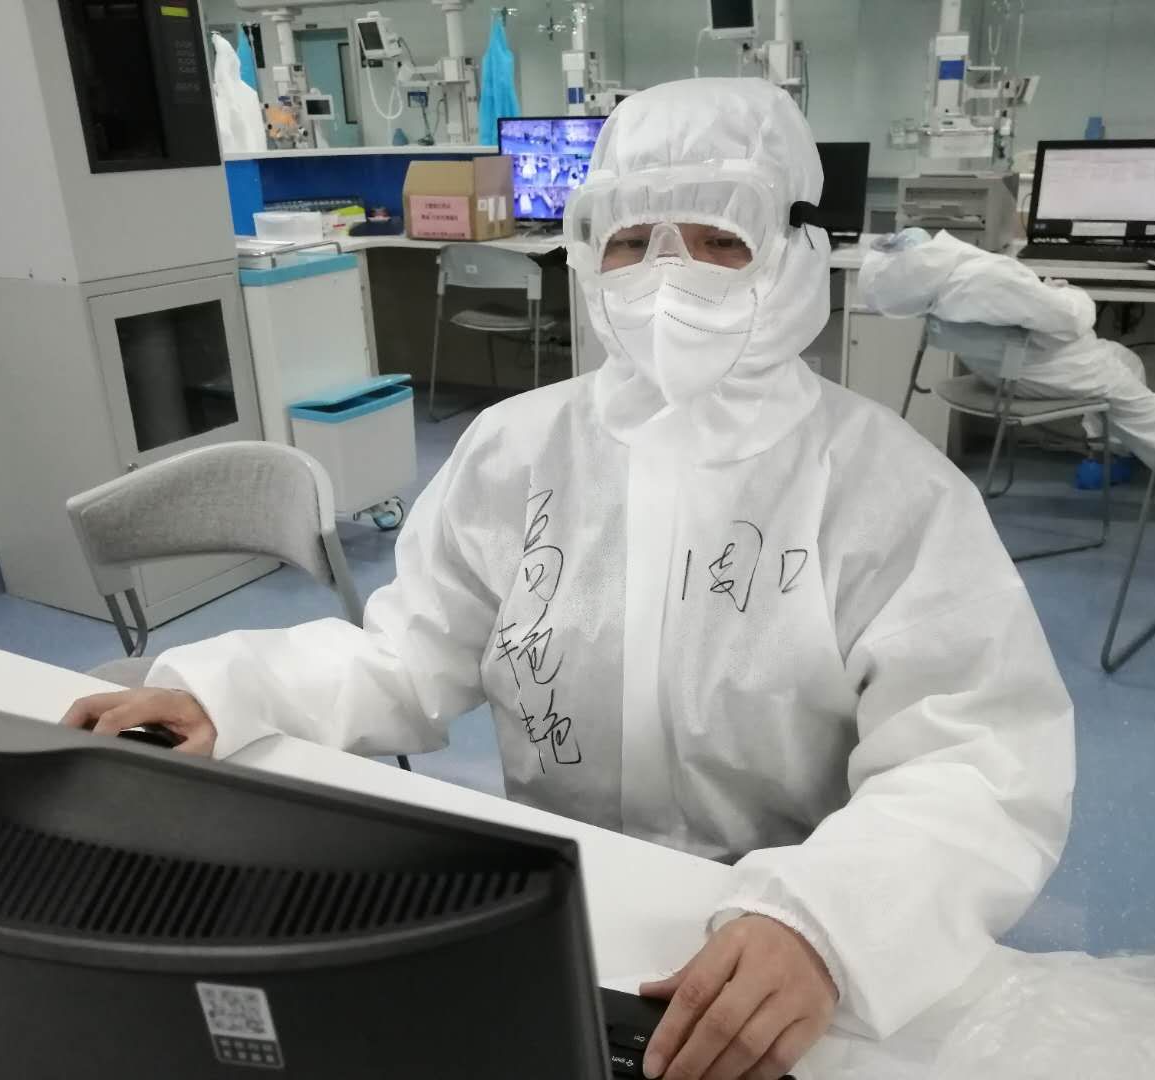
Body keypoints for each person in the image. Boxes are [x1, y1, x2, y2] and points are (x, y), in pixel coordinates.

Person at [64, 79, 1074, 1080]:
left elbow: (979, 758)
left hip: (782, 948)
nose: (669, 276)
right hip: (562, 913)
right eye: (632, 240)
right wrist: (232, 690)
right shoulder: (517, 450)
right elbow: (408, 653)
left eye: (718, 238)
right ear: (590, 250)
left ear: (796, 247)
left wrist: (830, 923)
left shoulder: (890, 489)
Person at [859, 228, 1155, 484]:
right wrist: (1069, 293)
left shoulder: (928, 290)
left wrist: (1040, 295)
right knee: (1147, 414)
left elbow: (1024, 310)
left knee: (1125, 358)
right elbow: (1071, 321)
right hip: (1055, 370)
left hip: (1001, 375)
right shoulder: (982, 278)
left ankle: (1109, 458)